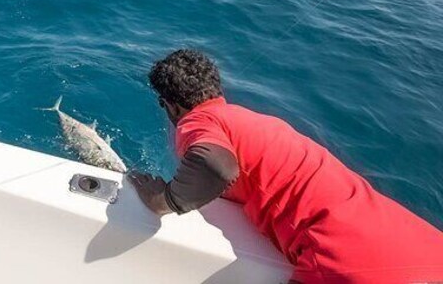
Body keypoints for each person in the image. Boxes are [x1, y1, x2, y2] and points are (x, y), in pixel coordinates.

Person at [129, 49, 443, 283]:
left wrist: (164, 200)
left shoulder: (198, 121)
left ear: (171, 104)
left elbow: (215, 165)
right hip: (422, 247)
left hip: (345, 259)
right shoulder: (261, 124)